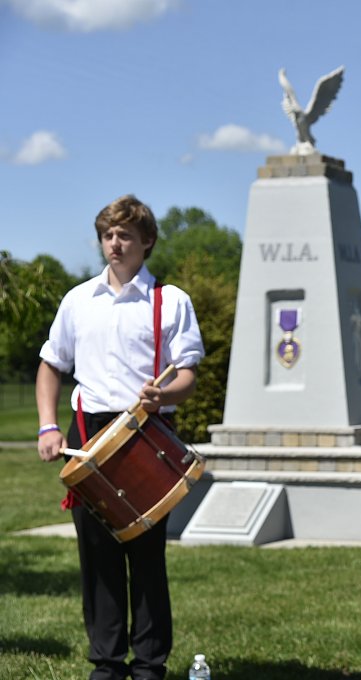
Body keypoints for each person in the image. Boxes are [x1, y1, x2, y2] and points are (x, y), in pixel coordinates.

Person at [36, 194, 205, 680]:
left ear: (146, 242)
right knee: (97, 554)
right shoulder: (78, 300)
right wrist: (49, 426)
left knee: (146, 554)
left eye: (125, 235)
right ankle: (107, 663)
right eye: (108, 235)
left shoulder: (169, 301)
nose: (115, 243)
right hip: (88, 433)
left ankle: (149, 664)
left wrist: (163, 394)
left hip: (146, 431)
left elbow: (188, 376)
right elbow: (51, 366)